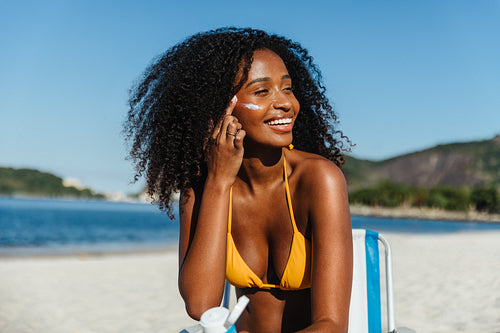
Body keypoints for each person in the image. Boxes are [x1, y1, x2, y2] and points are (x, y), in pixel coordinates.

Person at [124, 27, 353, 333]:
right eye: (262, 91)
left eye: (288, 88)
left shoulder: (319, 180)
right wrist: (219, 182)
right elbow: (200, 305)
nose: (285, 103)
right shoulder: (201, 189)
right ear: (220, 108)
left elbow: (332, 325)